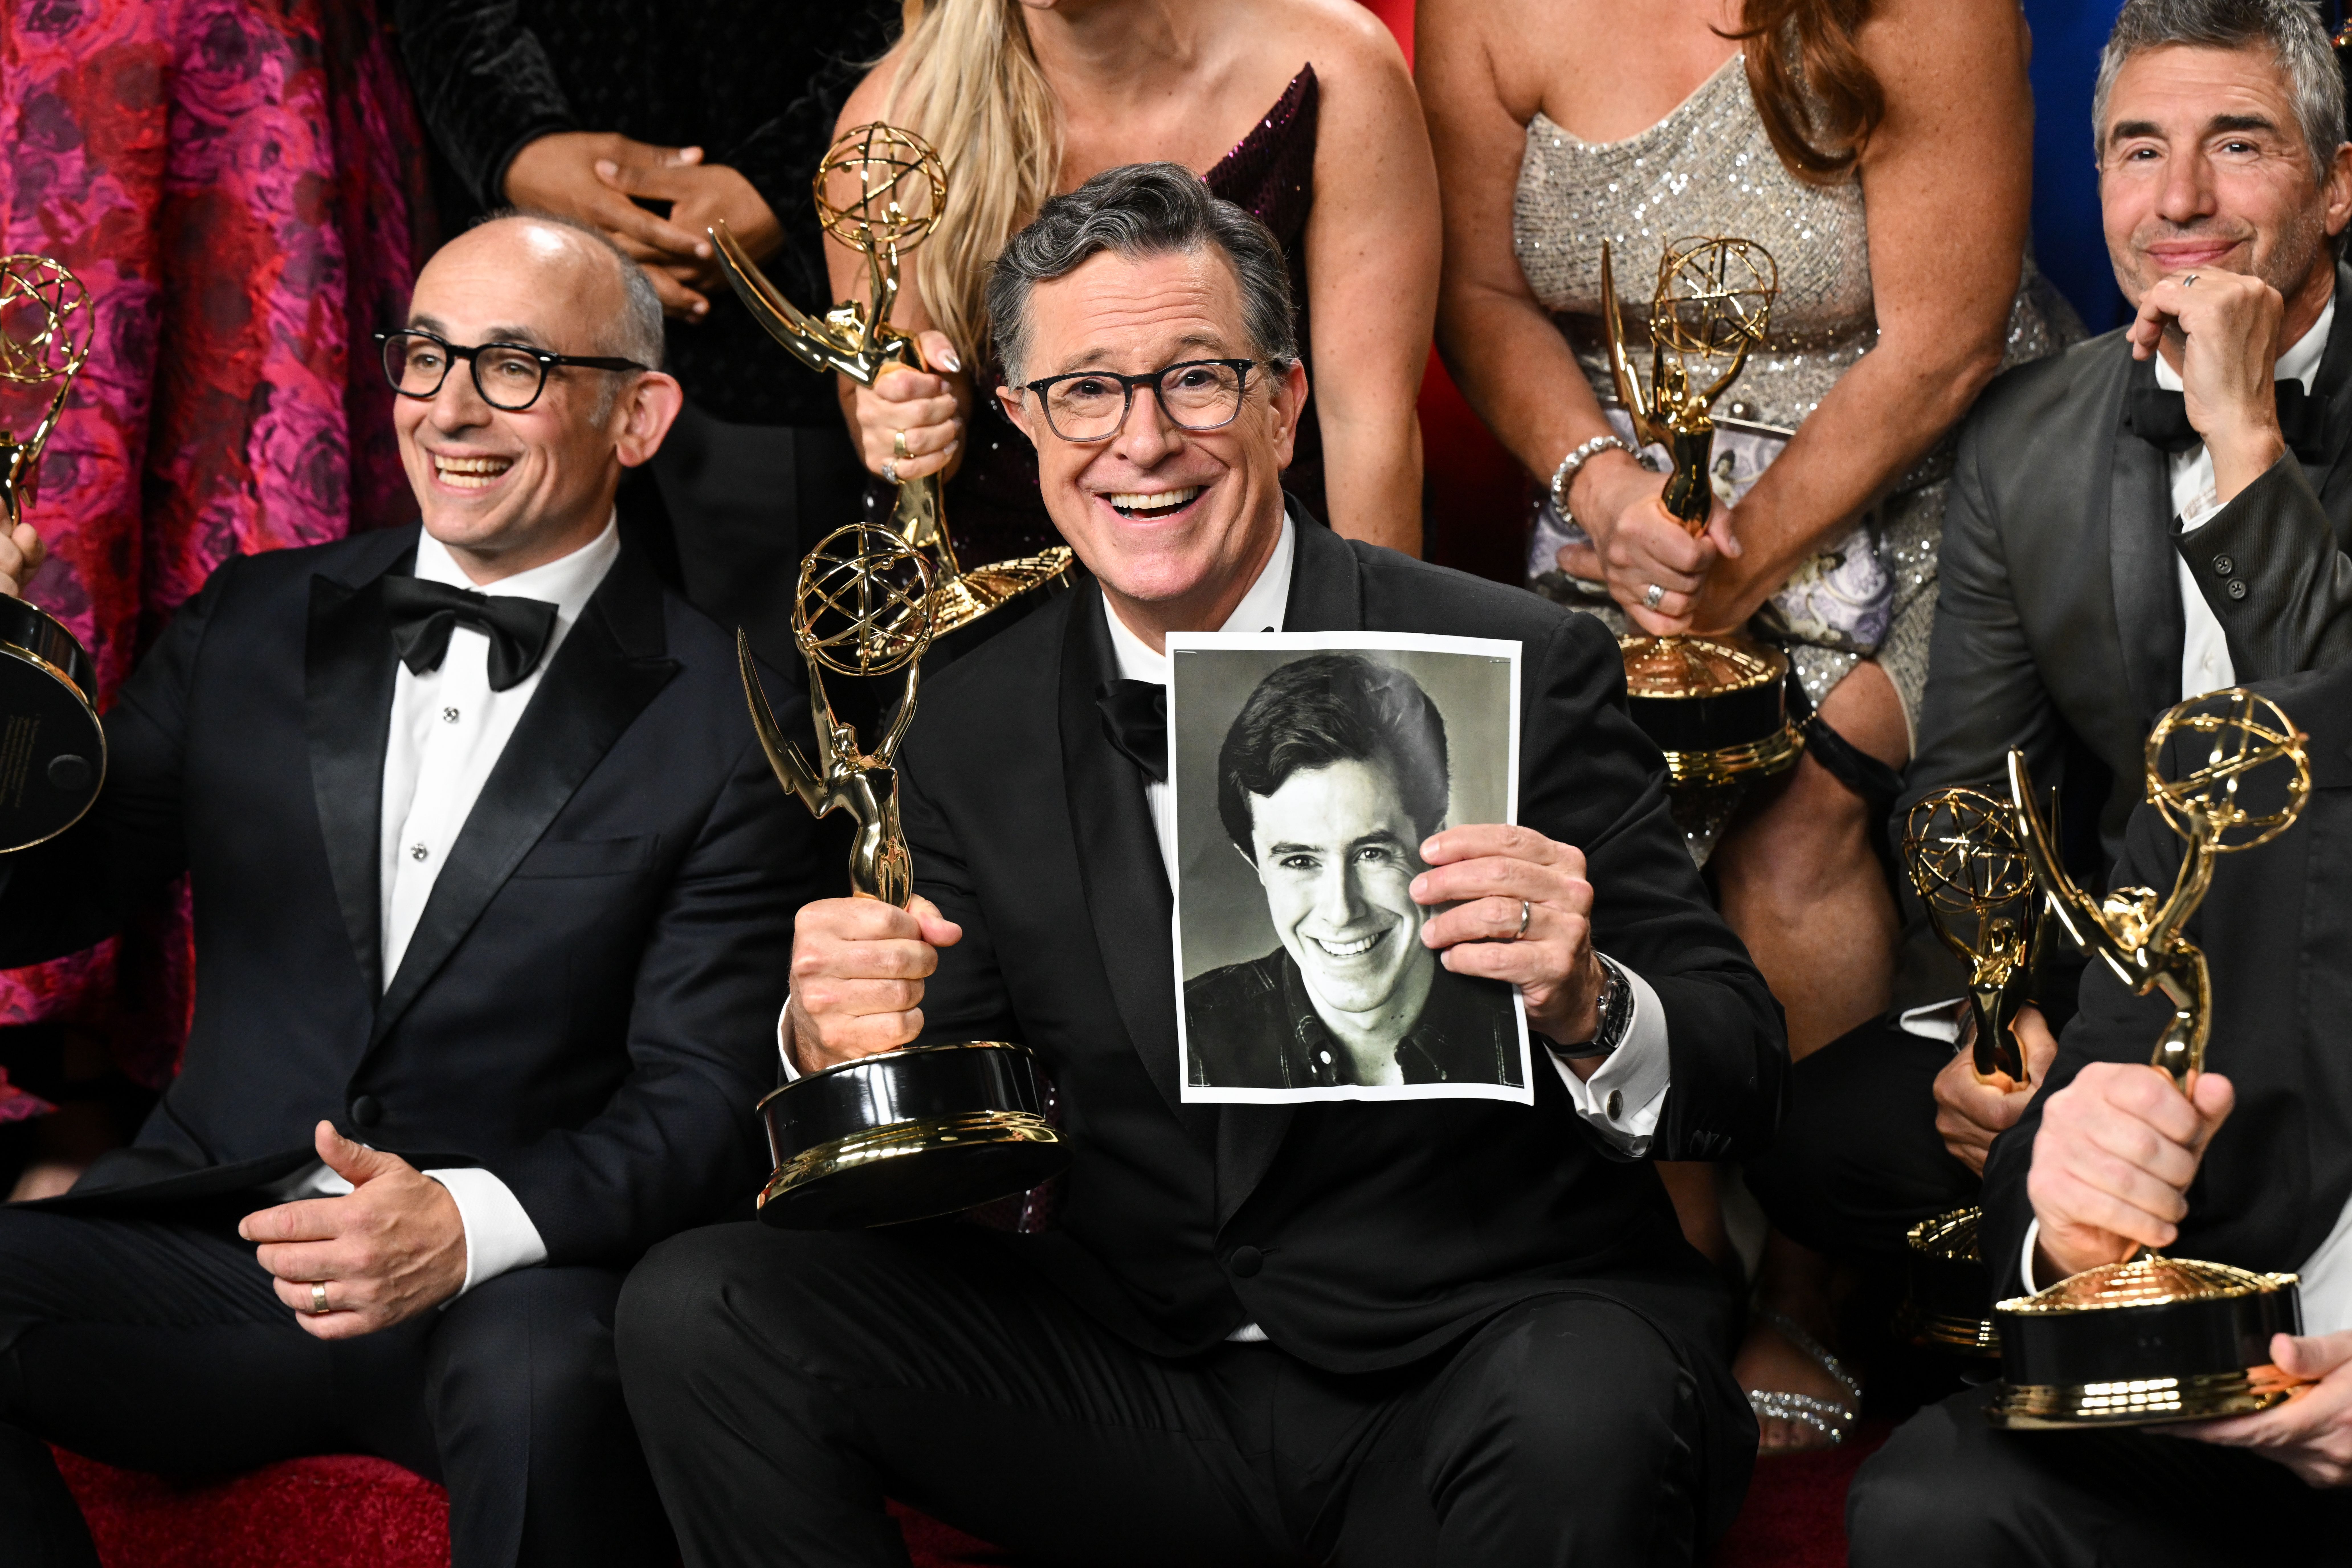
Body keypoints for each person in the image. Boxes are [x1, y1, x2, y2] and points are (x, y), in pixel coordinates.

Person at [616, 164, 1787, 1566]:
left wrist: (1590, 998)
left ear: (1285, 403)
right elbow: (967, 1132)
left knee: (1584, 1401)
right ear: (1020, 425)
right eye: (1086, 391)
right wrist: (843, 1041)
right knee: (706, 1306)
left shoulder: (1518, 661)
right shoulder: (963, 709)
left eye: (1195, 381)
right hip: (1137, 1382)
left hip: (1476, 1364)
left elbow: (1736, 1066)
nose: (1140, 442)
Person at [0, 214, 818, 1568]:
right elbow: (47, 904)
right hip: (219, 1246)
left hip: (507, 1284)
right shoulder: (249, 621)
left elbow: (700, 1103)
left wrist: (461, 1224)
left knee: (554, 1385)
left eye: (513, 367)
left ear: (639, 414)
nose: (449, 410)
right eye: (425, 356)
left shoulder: (730, 716)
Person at [1419, 0, 2073, 1448]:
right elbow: (1474, 288)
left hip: (1919, 490)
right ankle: (1674, 1262)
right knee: (1601, 799)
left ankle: (1806, 1286)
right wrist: (1600, 495)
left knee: (1795, 822)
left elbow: (1944, 349)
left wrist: (1739, 557)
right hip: (1625, 495)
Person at [1748, 0, 2352, 1412]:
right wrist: (2000, 1027)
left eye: (2237, 144)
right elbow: (1971, 787)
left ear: (2336, 186)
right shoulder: (2025, 438)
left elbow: (2323, 733)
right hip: (2134, 1020)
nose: (2178, 198)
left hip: (2339, 1002)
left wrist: (2242, 436)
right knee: (1813, 1134)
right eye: (2135, 152)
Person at [1845, 657, 2352, 1564]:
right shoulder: (2236, 761)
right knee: (1941, 1501)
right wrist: (2071, 1231)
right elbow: (2037, 1175)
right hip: (2246, 1403)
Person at [828, 0, 1437, 564]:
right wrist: (914, 422)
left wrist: (1371, 656)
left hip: (1259, 589)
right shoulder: (895, 124)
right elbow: (887, 420)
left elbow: (1368, 429)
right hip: (997, 607)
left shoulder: (1341, 68)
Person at [395, 0, 897, 668]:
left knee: (794, 696)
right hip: (521, 284)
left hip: (782, 326)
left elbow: (911, 27)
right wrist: (520, 149)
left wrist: (782, 184)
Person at [1184, 652, 1522, 1091]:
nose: (1341, 912)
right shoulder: (1191, 1035)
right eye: (1300, 862)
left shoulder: (1521, 1010)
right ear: (1258, 868)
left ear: (1434, 843)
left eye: (1372, 854)